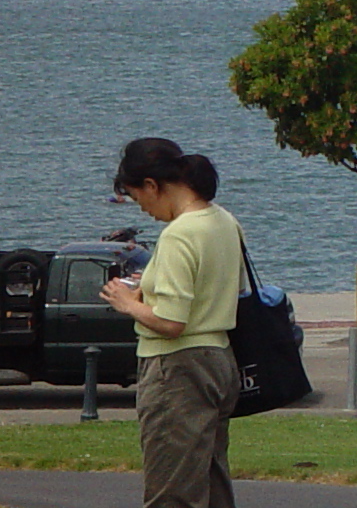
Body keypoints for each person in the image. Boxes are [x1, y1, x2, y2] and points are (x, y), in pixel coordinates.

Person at [100, 138, 243, 508]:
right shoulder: (224, 220)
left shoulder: (180, 233)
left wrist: (127, 303)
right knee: (211, 484)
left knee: (172, 491)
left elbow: (171, 322)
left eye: (138, 198)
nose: (143, 209)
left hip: (176, 366)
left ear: (152, 185)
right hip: (218, 357)